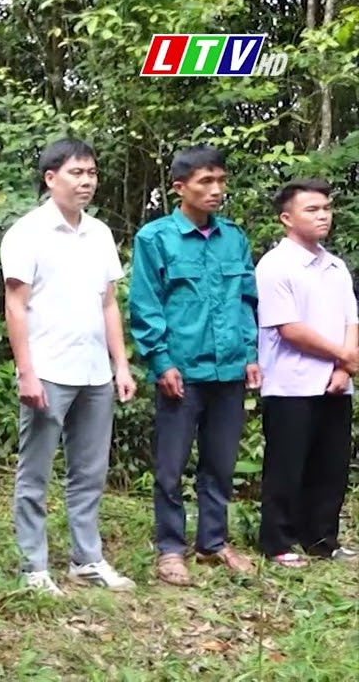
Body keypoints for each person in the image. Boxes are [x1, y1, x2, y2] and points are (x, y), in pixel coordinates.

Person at [0, 137, 138, 595]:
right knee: (35, 471)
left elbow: (109, 304)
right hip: (49, 370)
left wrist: (121, 365)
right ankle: (33, 566)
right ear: (50, 178)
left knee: (89, 471)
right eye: (77, 173)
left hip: (95, 371)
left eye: (92, 173)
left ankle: (87, 558)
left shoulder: (98, 233)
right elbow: (15, 306)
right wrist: (26, 371)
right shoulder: (27, 232)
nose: (86, 181)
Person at [128, 145, 258, 585]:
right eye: (206, 181)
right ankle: (169, 548)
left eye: (220, 181)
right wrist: (161, 360)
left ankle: (213, 542)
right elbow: (146, 306)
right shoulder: (155, 238)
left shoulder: (233, 238)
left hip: (229, 373)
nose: (216, 190)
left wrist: (251, 355)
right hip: (180, 373)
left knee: (220, 464)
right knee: (170, 466)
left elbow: (246, 301)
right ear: (179, 187)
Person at [255, 178, 358, 567]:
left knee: (330, 466)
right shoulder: (275, 265)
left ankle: (321, 539)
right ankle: (277, 542)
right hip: (290, 383)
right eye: (312, 209)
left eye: (326, 208)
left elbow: (352, 318)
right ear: (287, 218)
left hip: (335, 383)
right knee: (286, 466)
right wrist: (346, 358)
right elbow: (289, 328)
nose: (323, 216)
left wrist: (344, 368)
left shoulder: (335, 266)